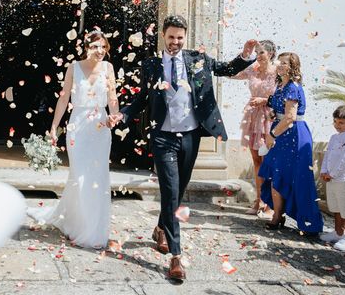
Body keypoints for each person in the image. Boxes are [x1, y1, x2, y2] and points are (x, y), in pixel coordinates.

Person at [109, 15, 257, 281]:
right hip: (163, 136)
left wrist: (245, 55)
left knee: (179, 189)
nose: (175, 42)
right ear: (163, 37)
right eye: (171, 37)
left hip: (190, 136)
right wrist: (124, 114)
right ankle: (176, 257)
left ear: (184, 37)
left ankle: (160, 229)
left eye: (180, 37)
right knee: (171, 189)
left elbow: (225, 69)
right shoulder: (151, 65)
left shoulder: (198, 59)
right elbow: (143, 97)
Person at [27, 30, 119, 249]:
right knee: (79, 175)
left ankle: (92, 229)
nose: (100, 51)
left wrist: (114, 116)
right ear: (86, 47)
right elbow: (63, 98)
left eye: (103, 47)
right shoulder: (73, 68)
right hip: (78, 126)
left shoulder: (109, 68)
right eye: (95, 46)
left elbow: (113, 97)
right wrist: (54, 126)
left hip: (100, 126)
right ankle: (78, 224)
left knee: (97, 177)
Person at [259, 52, 323, 233]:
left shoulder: (293, 87)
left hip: (293, 135)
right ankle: (278, 214)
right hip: (281, 132)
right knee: (274, 172)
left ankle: (287, 217)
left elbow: (290, 118)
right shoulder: (280, 85)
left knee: (289, 175)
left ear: (292, 66)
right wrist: (273, 116)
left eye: (284, 63)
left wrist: (272, 134)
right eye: (279, 62)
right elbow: (281, 112)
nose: (280, 65)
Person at [230, 40, 277, 216]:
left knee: (268, 162)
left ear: (271, 54)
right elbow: (231, 73)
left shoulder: (277, 72)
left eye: (261, 52)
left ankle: (271, 204)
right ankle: (259, 201)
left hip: (270, 119)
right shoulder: (253, 69)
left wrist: (264, 100)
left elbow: (282, 95)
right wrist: (244, 55)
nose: (258, 56)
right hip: (253, 118)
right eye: (256, 52)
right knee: (256, 160)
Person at [319, 106, 345, 251]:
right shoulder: (334, 137)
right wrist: (324, 170)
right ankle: (338, 232)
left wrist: (333, 174)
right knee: (337, 208)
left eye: (341, 123)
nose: (337, 125)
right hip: (332, 178)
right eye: (335, 122)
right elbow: (328, 154)